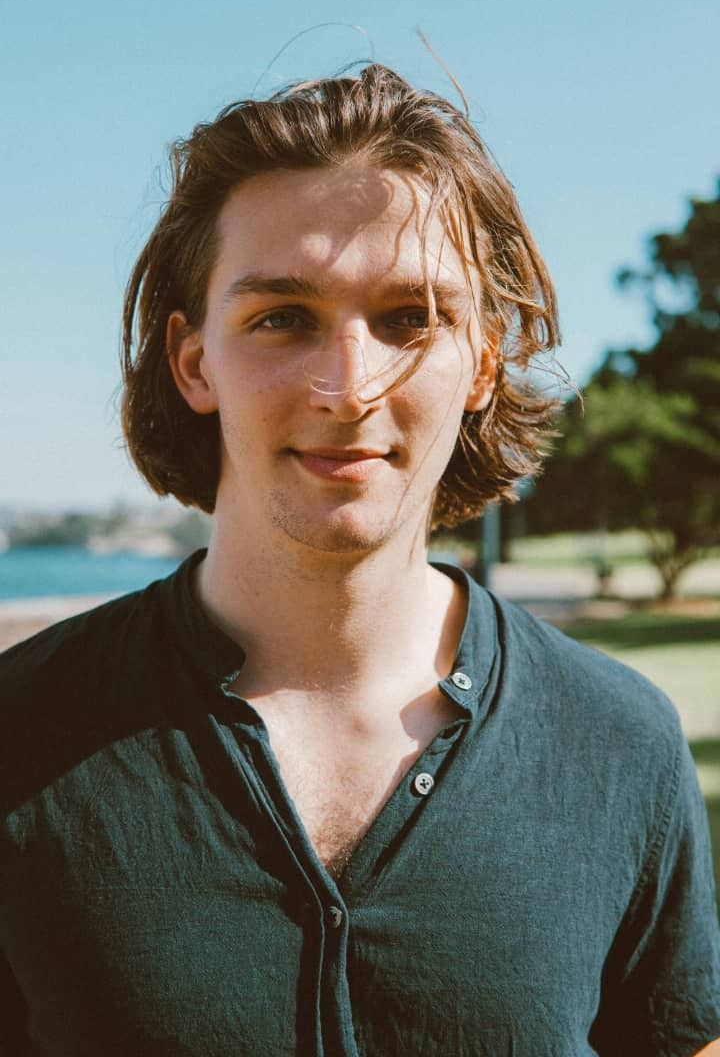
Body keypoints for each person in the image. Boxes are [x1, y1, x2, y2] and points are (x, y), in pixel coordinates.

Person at [1, 64, 719, 1057]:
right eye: (282, 317)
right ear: (193, 360)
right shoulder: (22, 729)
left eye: (409, 318)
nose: (348, 385)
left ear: (484, 361)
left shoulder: (618, 745)